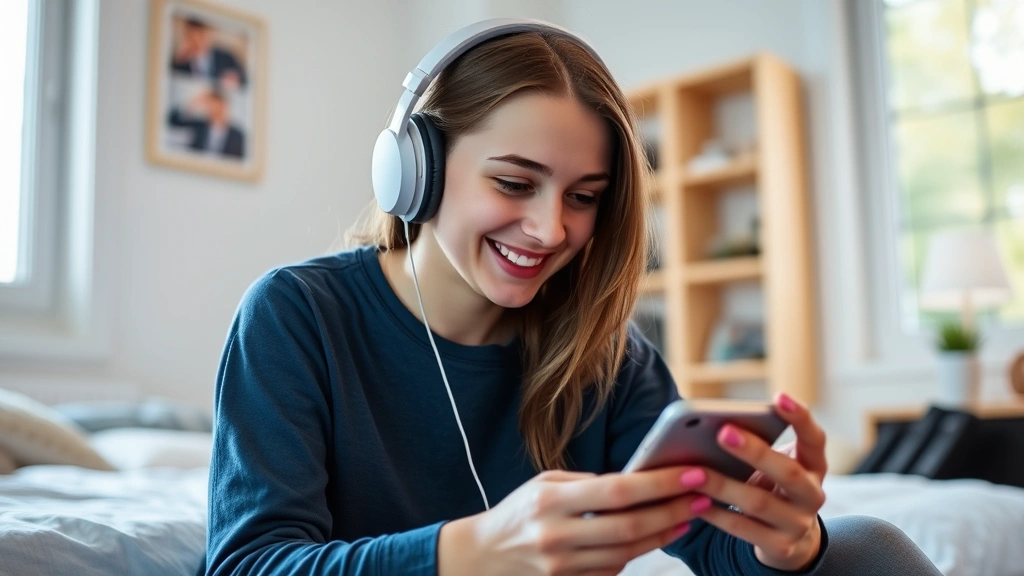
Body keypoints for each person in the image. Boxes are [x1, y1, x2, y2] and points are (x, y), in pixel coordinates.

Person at [205, 19, 942, 576]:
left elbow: (713, 545)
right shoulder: (297, 316)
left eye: (584, 196)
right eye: (514, 183)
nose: (550, 228)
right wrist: (475, 549)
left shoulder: (611, 359)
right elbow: (251, 562)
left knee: (872, 548)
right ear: (414, 170)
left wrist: (787, 540)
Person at [171, 17, 247, 90]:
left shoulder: (226, 57)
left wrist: (236, 79)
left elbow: (245, 81)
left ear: (208, 35)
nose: (198, 42)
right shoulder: (182, 62)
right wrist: (179, 59)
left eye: (201, 35)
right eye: (193, 37)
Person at [166, 90, 245, 159]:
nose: (214, 108)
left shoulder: (238, 135)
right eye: (210, 104)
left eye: (218, 104)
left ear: (224, 106)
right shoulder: (199, 125)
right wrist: (192, 104)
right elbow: (173, 121)